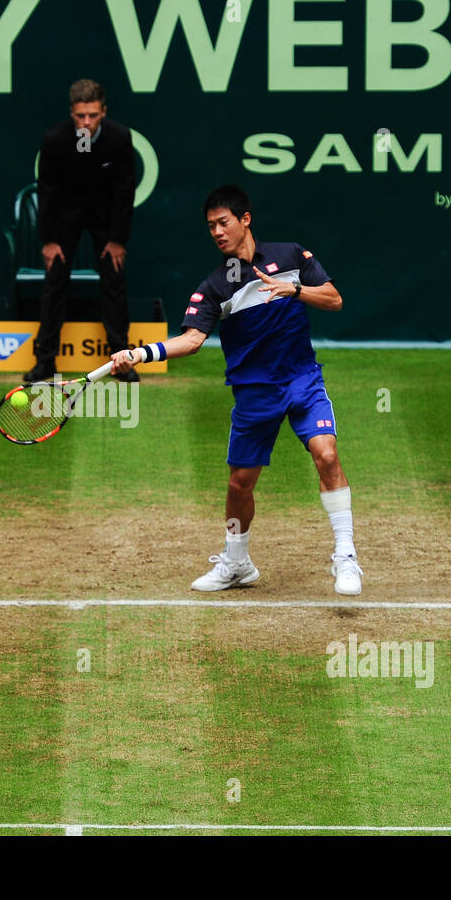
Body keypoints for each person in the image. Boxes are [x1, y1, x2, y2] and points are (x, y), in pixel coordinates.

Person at [108, 185, 363, 595]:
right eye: (210, 227)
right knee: (239, 484)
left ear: (245, 220)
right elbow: (191, 340)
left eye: (223, 223)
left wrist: (293, 289)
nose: (217, 232)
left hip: (301, 380)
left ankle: (346, 557)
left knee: (326, 452)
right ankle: (236, 562)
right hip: (254, 392)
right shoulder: (214, 286)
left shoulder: (292, 256)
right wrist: (140, 354)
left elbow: (334, 300)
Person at [24, 79, 138, 383]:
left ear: (103, 112)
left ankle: (122, 361)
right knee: (54, 284)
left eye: (92, 115)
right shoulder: (54, 140)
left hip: (105, 219)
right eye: (80, 116)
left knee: (114, 282)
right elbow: (46, 191)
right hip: (64, 219)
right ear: (71, 114)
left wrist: (117, 239)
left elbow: (125, 191)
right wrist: (49, 240)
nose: (86, 122)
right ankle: (44, 362)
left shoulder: (119, 138)